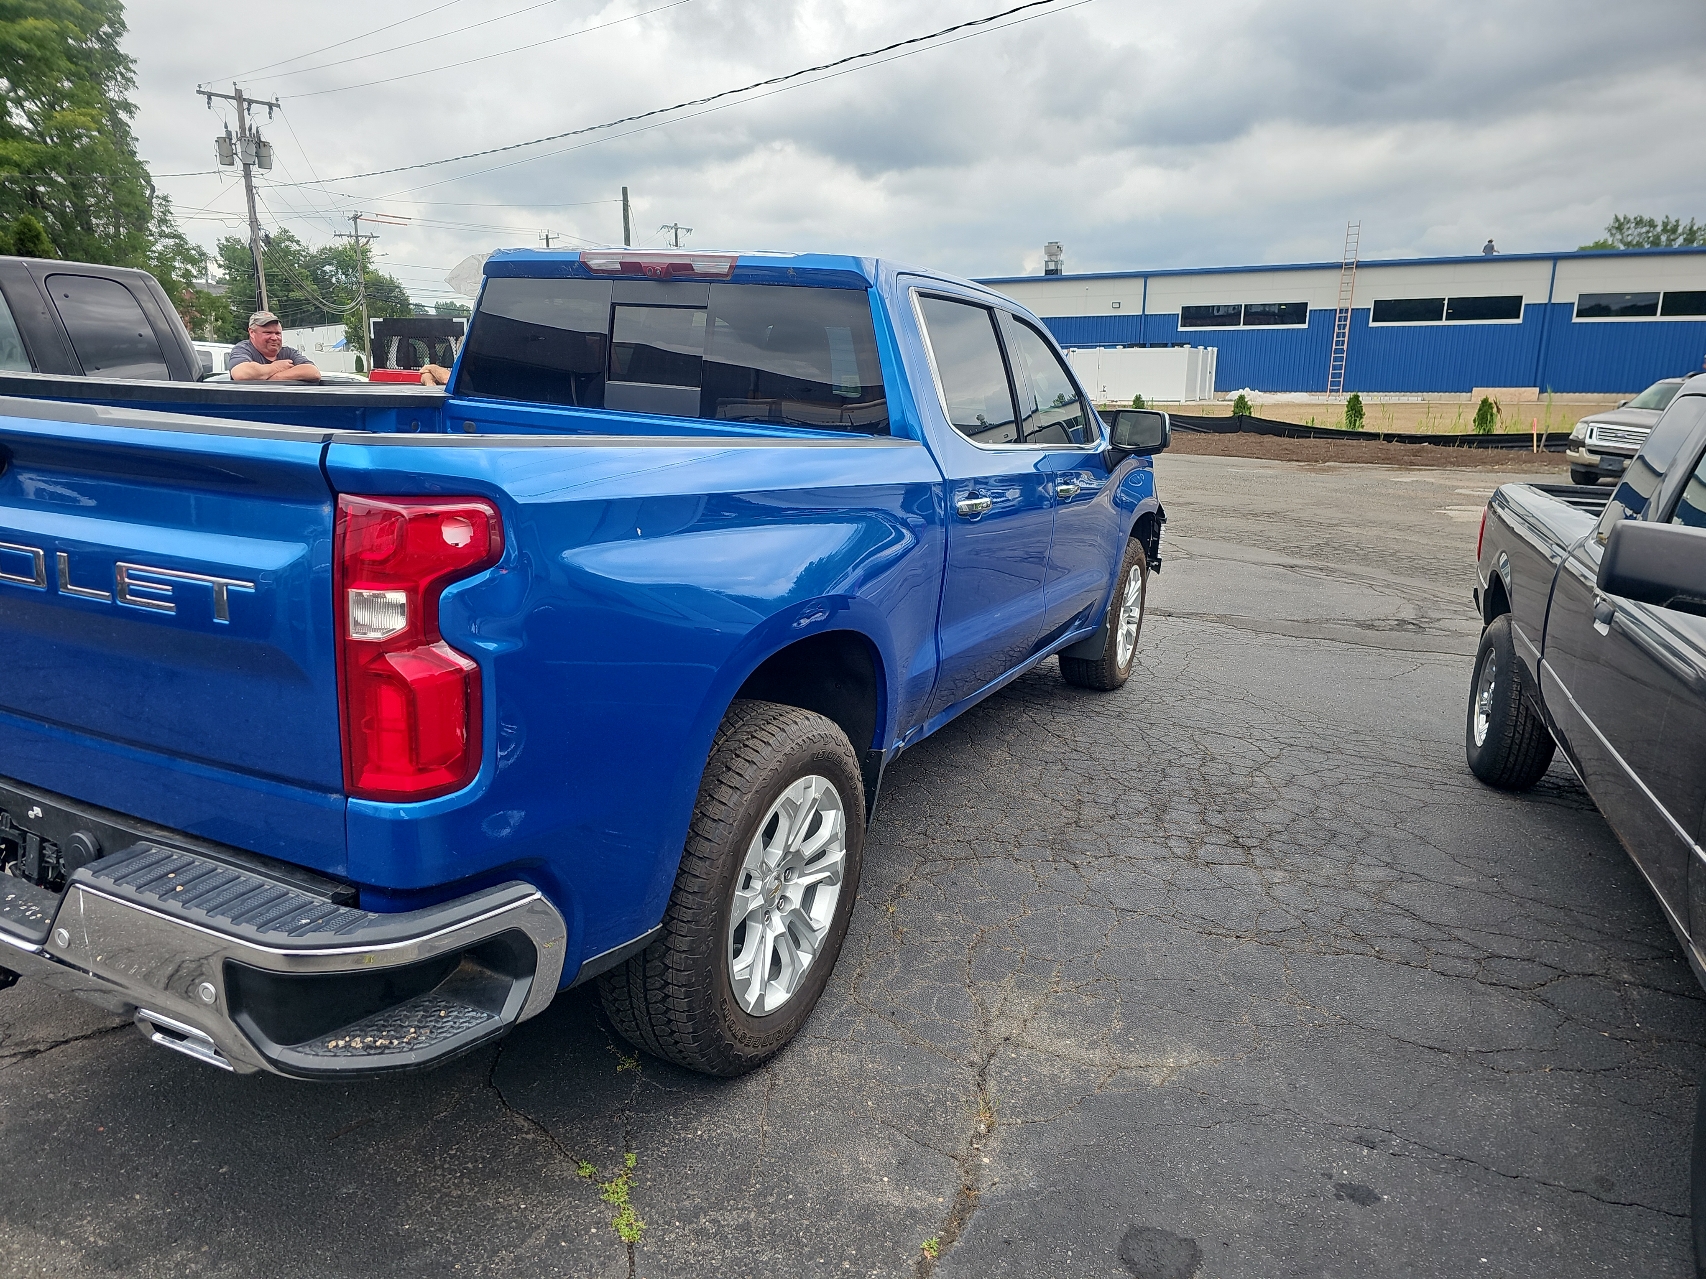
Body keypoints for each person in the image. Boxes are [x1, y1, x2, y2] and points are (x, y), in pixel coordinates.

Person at [226, 311, 321, 382]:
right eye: (268, 333)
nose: (274, 338)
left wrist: (273, 378)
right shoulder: (243, 349)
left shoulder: (288, 352)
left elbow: (313, 372)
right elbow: (242, 373)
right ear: (252, 332)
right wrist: (276, 367)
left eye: (278, 333)